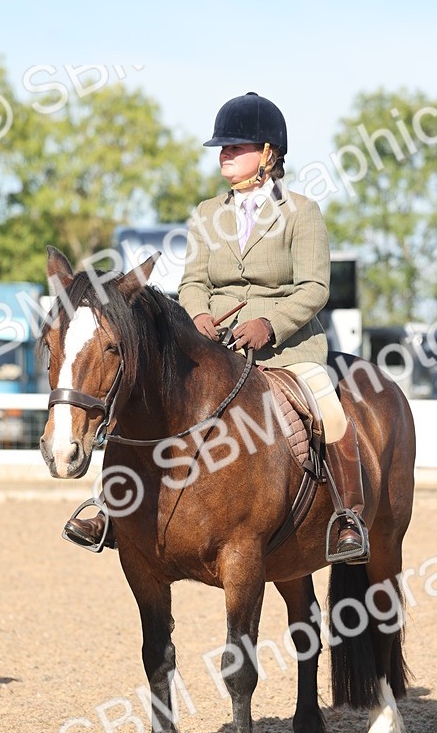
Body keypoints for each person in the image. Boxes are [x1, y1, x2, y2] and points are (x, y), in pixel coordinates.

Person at [64, 92, 368, 562]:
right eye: (221, 147)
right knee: (143, 400)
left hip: (285, 350)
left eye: (235, 146)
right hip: (214, 344)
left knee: (329, 409)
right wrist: (197, 315)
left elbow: (314, 288)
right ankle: (110, 506)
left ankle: (346, 517)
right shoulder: (208, 213)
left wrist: (269, 323)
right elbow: (193, 281)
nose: (224, 153)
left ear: (268, 152)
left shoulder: (302, 212)